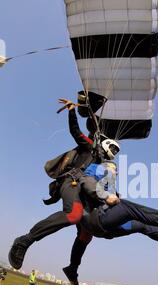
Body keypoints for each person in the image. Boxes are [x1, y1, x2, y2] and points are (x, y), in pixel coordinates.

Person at [8, 100, 120, 271]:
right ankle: (25, 240)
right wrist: (72, 111)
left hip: (85, 192)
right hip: (72, 182)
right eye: (113, 148)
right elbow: (75, 131)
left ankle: (72, 268)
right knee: (74, 214)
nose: (114, 152)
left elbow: (105, 187)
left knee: (87, 232)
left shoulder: (104, 166)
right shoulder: (90, 147)